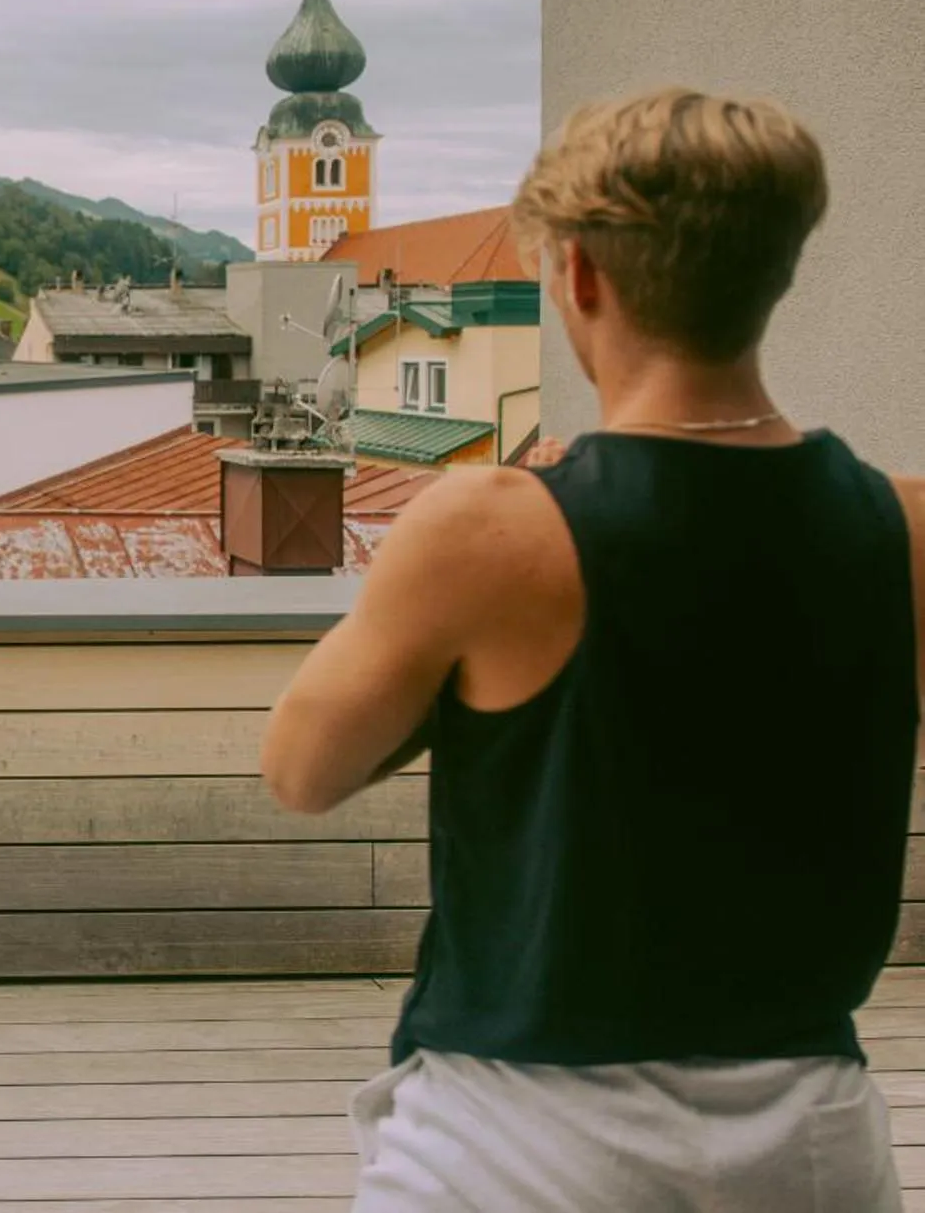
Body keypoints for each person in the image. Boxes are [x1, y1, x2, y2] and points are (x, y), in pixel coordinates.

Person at [261, 88, 925, 1210]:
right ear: (777, 270)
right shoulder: (905, 529)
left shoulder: (490, 528)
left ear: (576, 274)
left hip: (521, 1141)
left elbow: (300, 770)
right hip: (809, 1140)